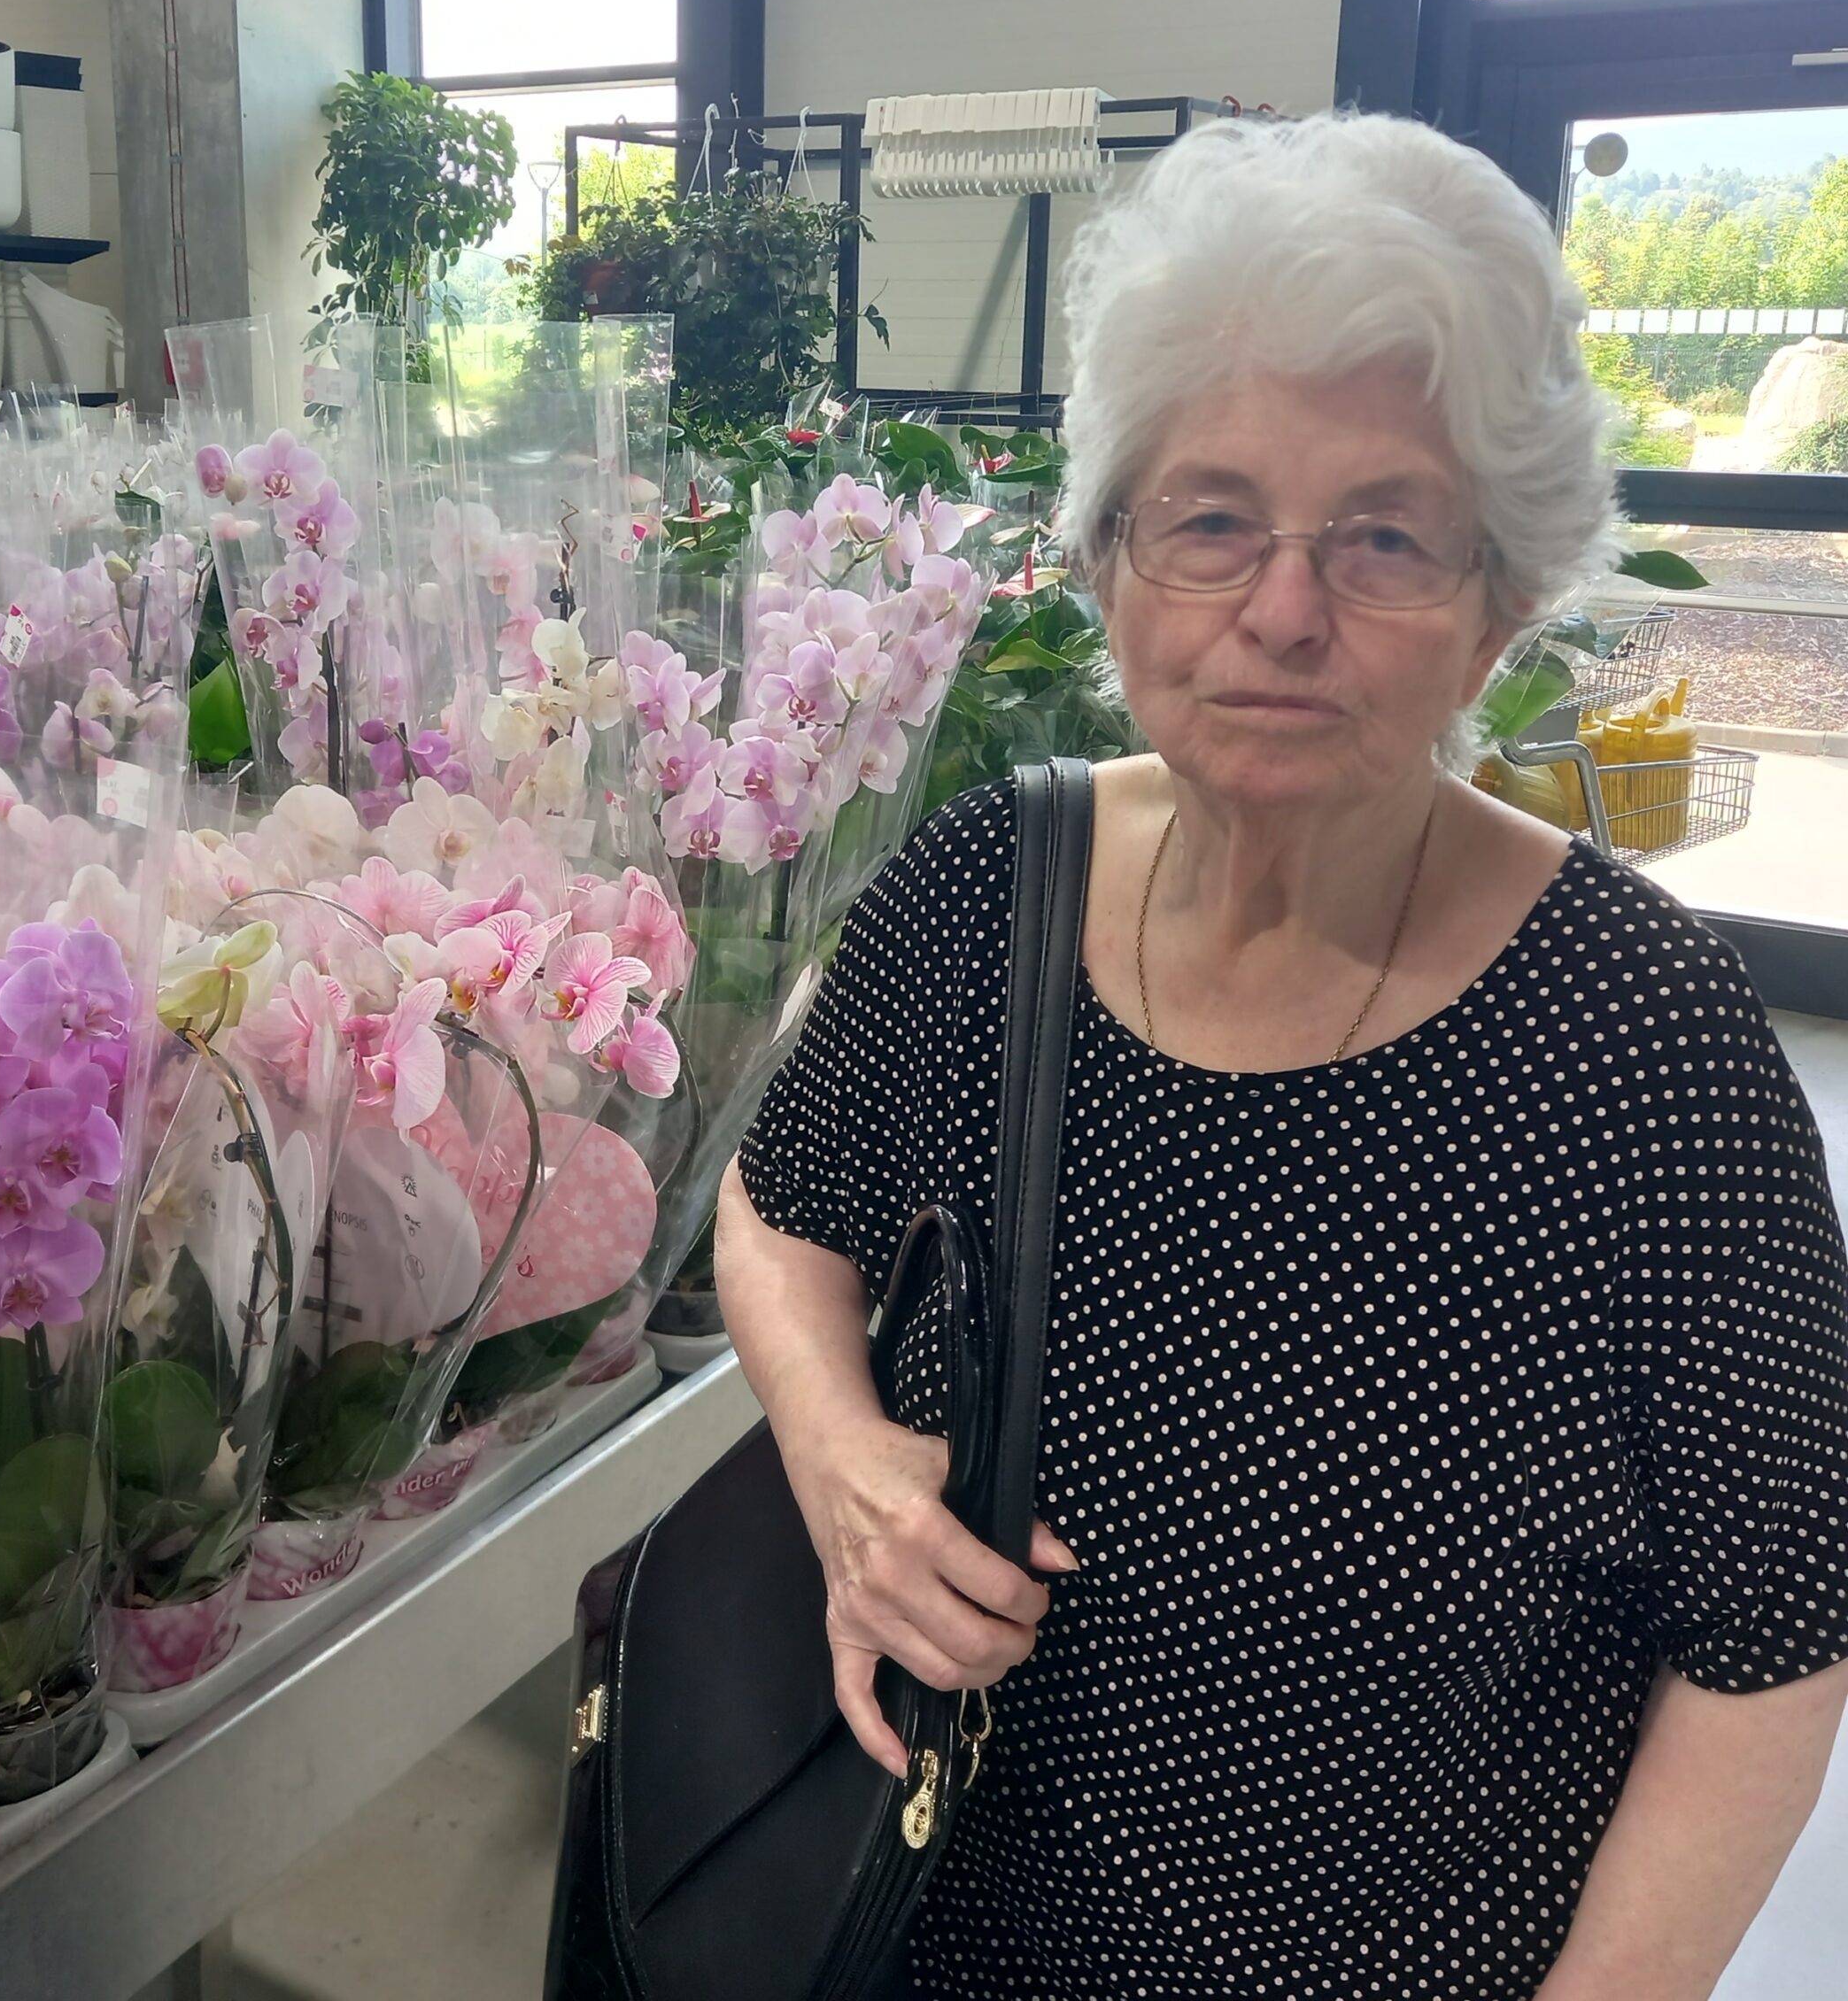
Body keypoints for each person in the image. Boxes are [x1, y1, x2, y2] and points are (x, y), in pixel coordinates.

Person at [719, 111, 1848, 1999]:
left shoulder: (1645, 1053)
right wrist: (843, 1458)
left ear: (1501, 600)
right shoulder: (989, 888)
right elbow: (776, 1217)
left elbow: (1770, 1647)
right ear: (1109, 560)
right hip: (914, 1927)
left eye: (1384, 536)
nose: (1282, 610)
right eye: (1211, 517)